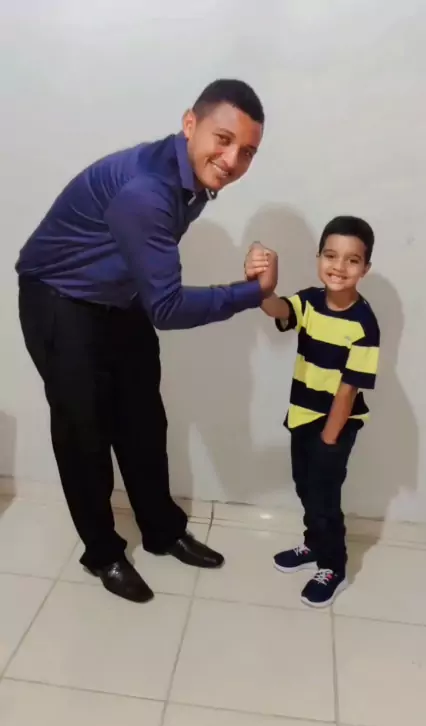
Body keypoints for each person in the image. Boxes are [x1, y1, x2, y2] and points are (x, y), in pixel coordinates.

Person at [16, 79, 276, 604]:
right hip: (60, 300)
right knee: (85, 434)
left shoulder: (191, 178)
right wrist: (253, 292)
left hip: (119, 297)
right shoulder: (147, 191)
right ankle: (102, 553)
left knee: (142, 421)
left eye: (247, 151)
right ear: (190, 124)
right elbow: (168, 308)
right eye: (223, 139)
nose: (232, 160)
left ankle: (161, 531)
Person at [246, 216, 379, 607]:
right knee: (305, 485)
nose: (339, 267)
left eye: (352, 260)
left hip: (335, 424)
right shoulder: (309, 301)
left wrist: (329, 439)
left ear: (365, 268)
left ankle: (333, 566)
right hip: (302, 414)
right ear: (318, 257)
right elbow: (276, 308)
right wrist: (262, 285)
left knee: (324, 497)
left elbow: (348, 390)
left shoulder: (364, 324)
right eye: (331, 256)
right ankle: (313, 544)